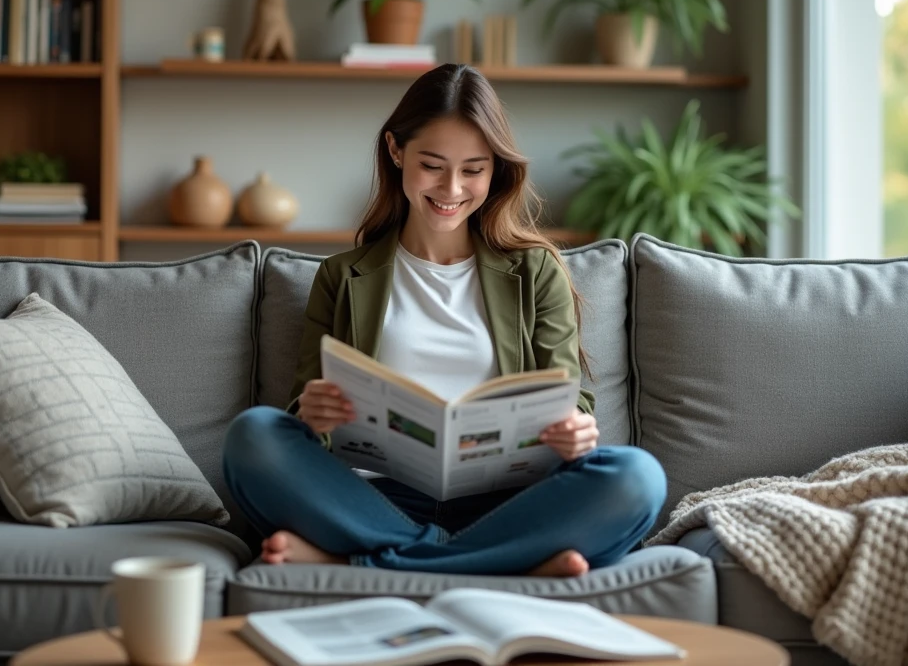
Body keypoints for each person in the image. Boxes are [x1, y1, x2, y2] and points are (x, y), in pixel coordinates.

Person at [222, 64, 666, 577]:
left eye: (473, 170)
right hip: (375, 502)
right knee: (254, 435)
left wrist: (577, 430)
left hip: (507, 503)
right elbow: (307, 415)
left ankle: (366, 562)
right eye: (432, 165)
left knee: (637, 477)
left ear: (495, 169)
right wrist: (313, 418)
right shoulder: (342, 277)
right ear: (396, 151)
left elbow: (569, 397)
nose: (452, 188)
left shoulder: (535, 270)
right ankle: (500, 564)